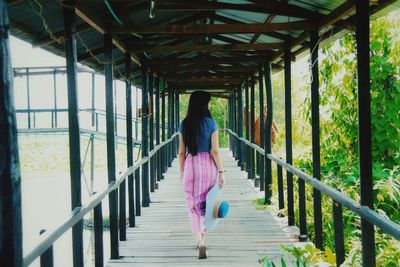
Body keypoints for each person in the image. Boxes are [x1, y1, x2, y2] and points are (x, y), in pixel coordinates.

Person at [178, 91, 225, 259]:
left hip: (191, 165)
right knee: (207, 201)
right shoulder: (211, 124)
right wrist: (221, 171)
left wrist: (182, 172)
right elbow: (215, 151)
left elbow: (182, 152)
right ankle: (204, 237)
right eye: (209, 103)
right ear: (204, 105)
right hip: (208, 167)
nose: (210, 105)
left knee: (192, 203)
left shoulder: (184, 124)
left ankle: (199, 240)